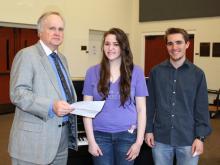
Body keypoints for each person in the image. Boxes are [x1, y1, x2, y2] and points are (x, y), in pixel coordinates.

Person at [8, 11, 78, 165]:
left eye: (60, 29)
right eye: (52, 28)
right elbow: (18, 94)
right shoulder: (26, 55)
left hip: (61, 139)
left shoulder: (62, 59)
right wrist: (51, 106)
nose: (57, 33)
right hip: (34, 144)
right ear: (39, 32)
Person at [145, 27, 212, 165]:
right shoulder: (156, 72)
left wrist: (200, 137)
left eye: (179, 42)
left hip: (189, 139)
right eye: (170, 43)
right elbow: (149, 105)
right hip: (160, 139)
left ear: (187, 44)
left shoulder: (197, 74)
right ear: (166, 46)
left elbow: (202, 109)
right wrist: (148, 130)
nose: (174, 47)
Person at [82, 28, 148, 165]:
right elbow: (86, 111)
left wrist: (139, 142)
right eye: (107, 44)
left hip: (127, 135)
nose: (110, 48)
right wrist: (91, 141)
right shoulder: (92, 72)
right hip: (100, 135)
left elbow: (141, 109)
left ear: (123, 47)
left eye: (116, 44)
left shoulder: (136, 72)